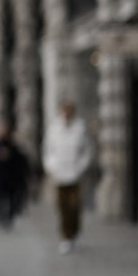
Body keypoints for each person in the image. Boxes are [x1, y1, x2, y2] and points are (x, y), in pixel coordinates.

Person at [42, 101, 92, 254]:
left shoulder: (80, 128)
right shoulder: (54, 128)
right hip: (59, 175)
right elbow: (47, 150)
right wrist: (52, 168)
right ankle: (65, 237)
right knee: (63, 207)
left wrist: (80, 168)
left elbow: (87, 151)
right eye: (64, 111)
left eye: (69, 111)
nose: (67, 114)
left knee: (74, 206)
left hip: (74, 174)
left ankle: (75, 232)